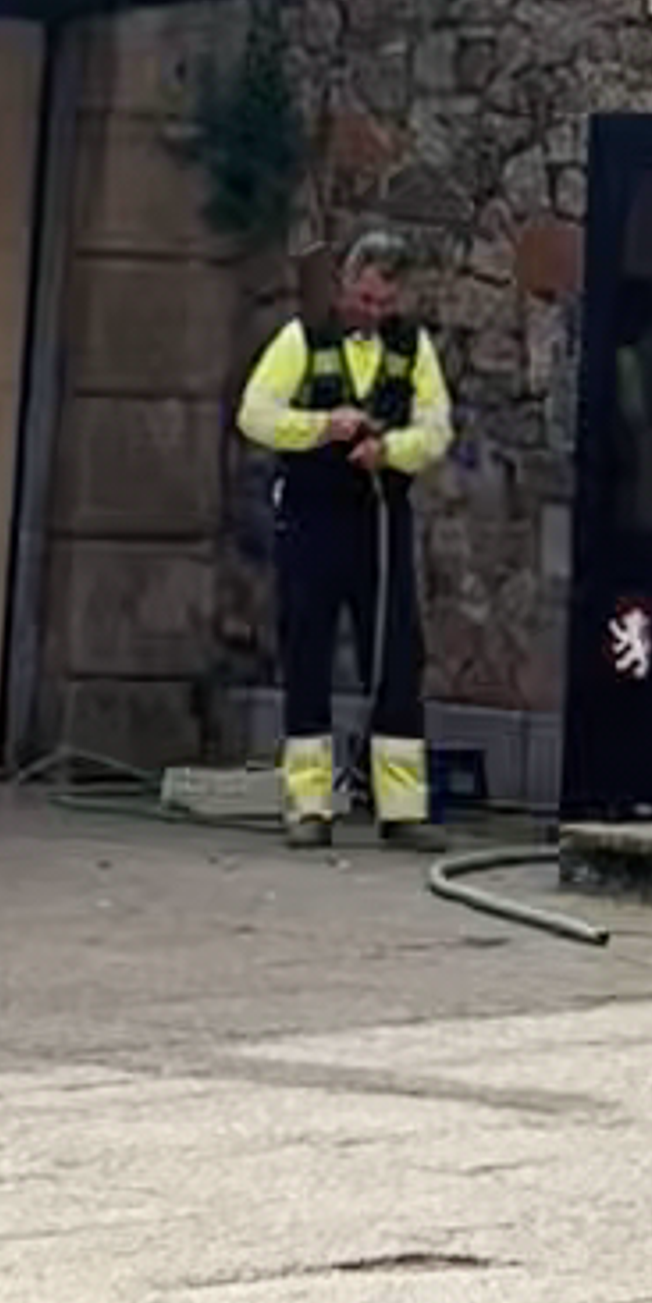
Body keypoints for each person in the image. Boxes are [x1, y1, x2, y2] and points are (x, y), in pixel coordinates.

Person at [234, 237, 454, 849]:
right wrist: (322, 428)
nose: (372, 310)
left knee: (396, 656)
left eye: (384, 300)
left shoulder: (414, 349)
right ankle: (309, 806)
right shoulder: (303, 339)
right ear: (345, 284)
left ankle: (401, 809)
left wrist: (390, 450)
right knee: (307, 650)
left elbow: (436, 431)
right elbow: (254, 414)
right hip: (310, 516)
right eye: (363, 296)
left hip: (382, 518)